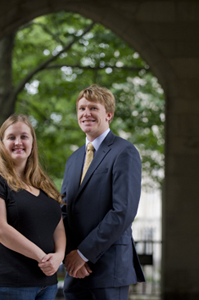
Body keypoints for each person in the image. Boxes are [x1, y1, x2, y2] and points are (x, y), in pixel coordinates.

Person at [61, 84, 145, 300]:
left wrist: (83, 254)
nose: (86, 113)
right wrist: (70, 255)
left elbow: (122, 212)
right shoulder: (73, 159)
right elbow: (64, 210)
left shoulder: (125, 152)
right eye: (81, 109)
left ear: (109, 114)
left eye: (93, 108)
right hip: (74, 270)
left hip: (109, 270)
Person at [0, 114, 66, 300]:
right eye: (11, 137)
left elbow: (58, 225)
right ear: (2, 143)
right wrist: (41, 257)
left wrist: (58, 256)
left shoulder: (45, 184)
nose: (18, 142)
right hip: (7, 284)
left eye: (24, 136)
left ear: (32, 143)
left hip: (46, 285)